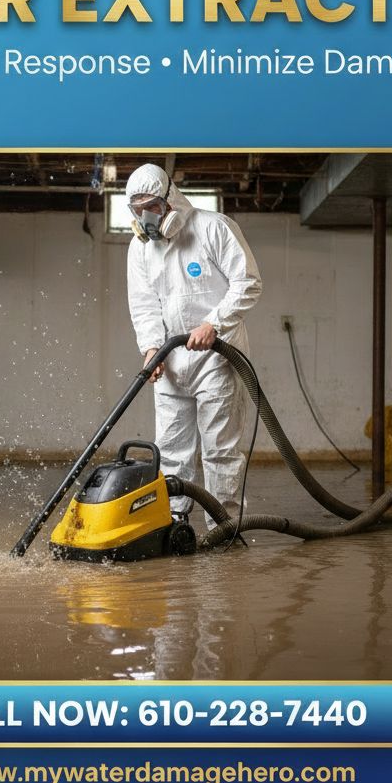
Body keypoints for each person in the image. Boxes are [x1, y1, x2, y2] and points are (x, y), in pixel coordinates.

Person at [125, 163, 263, 523]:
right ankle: (175, 523)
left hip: (217, 358)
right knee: (171, 449)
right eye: (138, 210)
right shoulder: (140, 249)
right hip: (170, 360)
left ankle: (223, 526)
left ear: (170, 199)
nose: (147, 217)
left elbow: (248, 282)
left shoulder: (213, 228)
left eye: (152, 207)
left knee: (220, 450)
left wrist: (213, 323)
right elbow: (143, 303)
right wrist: (151, 348)